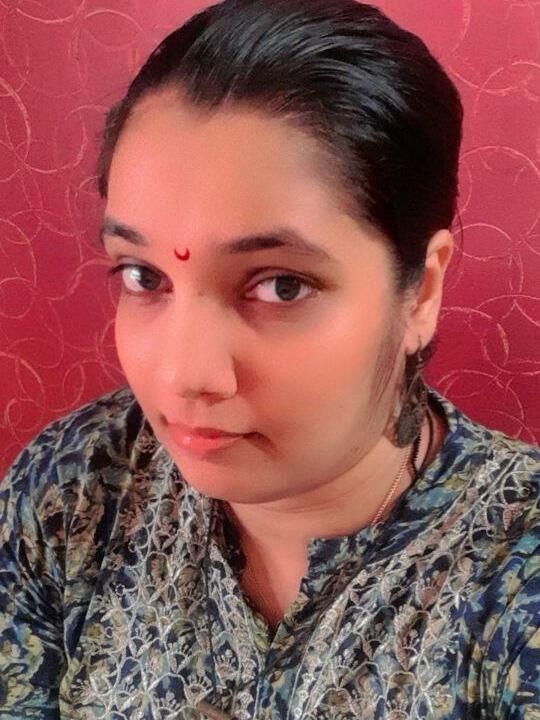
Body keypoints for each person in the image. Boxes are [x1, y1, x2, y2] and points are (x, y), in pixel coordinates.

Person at [0, 0, 538, 718]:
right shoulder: (74, 491)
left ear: (421, 292)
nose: (185, 375)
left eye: (281, 286)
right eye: (142, 275)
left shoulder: (514, 581)